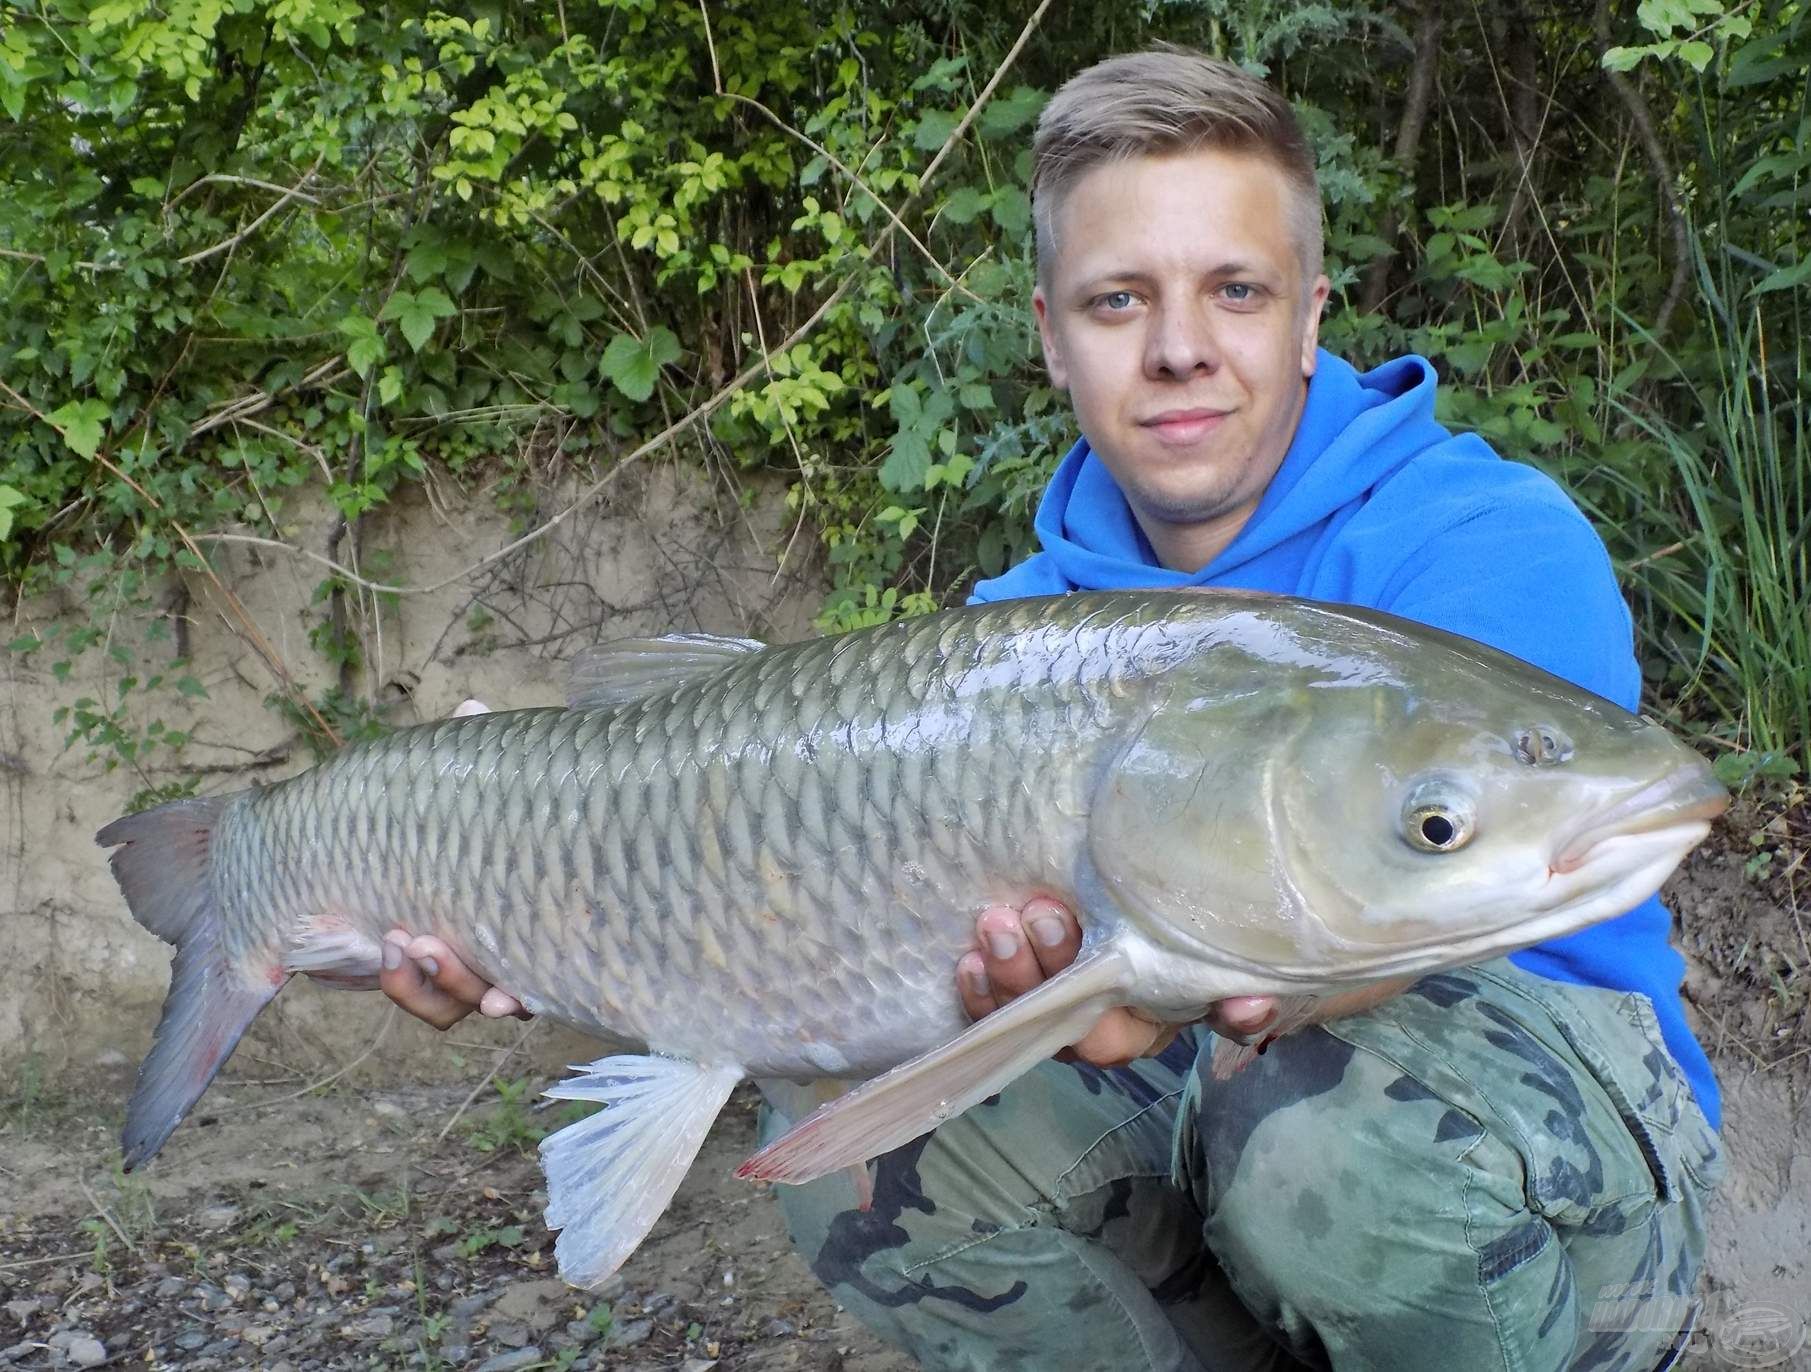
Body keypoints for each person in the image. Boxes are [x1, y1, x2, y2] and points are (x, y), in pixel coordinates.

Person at [381, 49, 1722, 1371]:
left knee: (1320, 1135)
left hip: (1554, 1185)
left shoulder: (1478, 542)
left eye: (1235, 291)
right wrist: (519, 888)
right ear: (1049, 335)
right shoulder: (1006, 637)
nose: (1181, 348)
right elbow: (785, 923)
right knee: (861, 1145)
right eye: (1118, 300)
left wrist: (1163, 986)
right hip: (1216, 1137)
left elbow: (1390, 909)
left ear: (1312, 314)